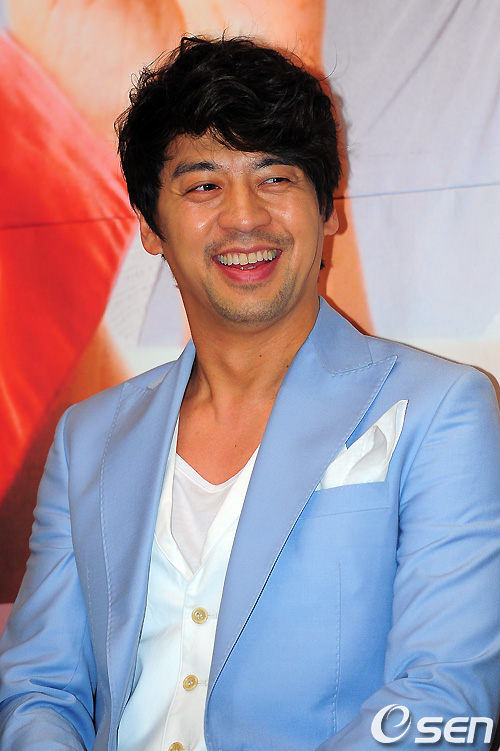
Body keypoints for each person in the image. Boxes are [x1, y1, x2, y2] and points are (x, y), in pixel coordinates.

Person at [1, 35, 500, 751]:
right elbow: (40, 687)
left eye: (275, 178)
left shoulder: (441, 409)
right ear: (150, 227)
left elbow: (442, 698)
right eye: (203, 185)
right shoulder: (89, 437)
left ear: (328, 210)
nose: (244, 216)